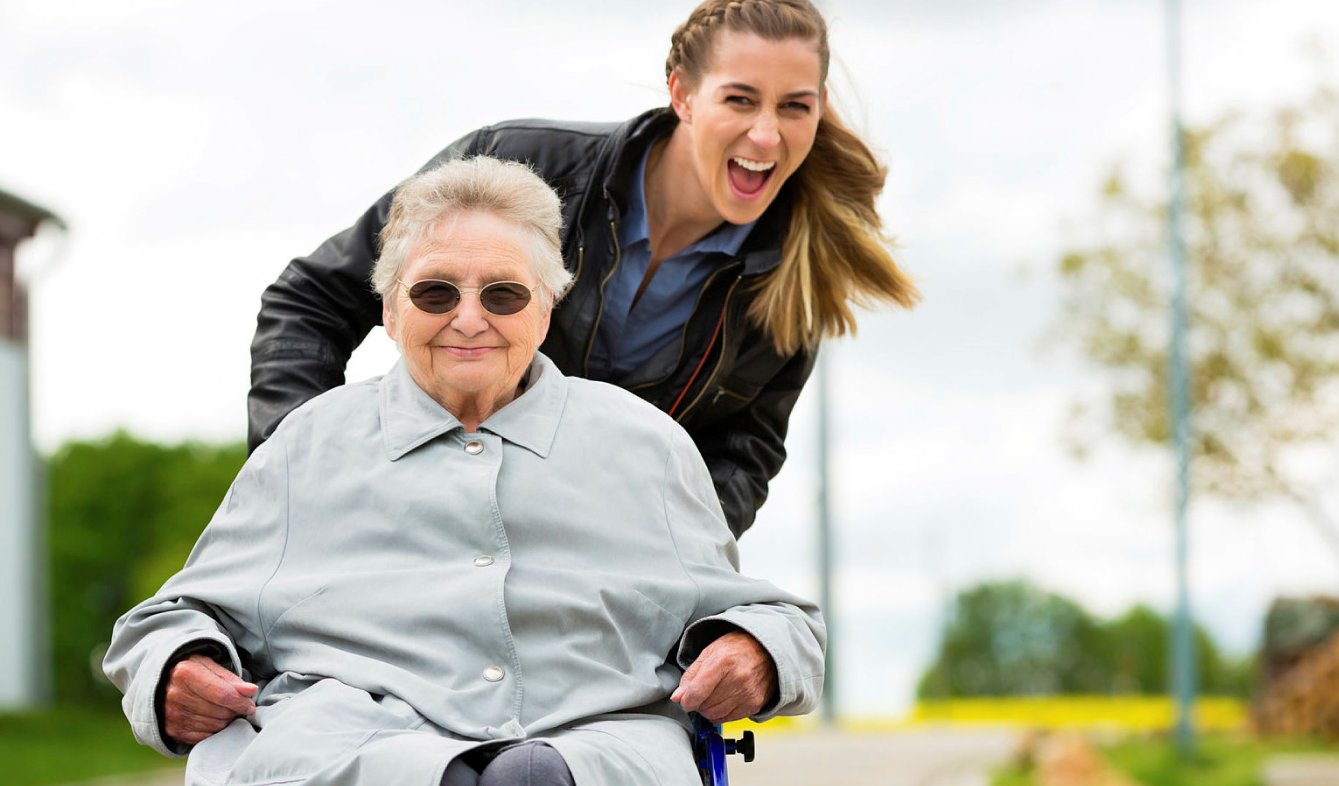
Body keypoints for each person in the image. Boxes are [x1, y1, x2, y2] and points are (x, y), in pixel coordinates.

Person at [104, 157, 824, 786]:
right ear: (389, 310)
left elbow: (773, 618)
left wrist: (754, 652)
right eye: (435, 293)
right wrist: (178, 665)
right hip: (359, 745)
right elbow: (170, 619)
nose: (469, 319)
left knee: (538, 776)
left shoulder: (645, 444)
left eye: (503, 294)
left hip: (589, 741)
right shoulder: (308, 445)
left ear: (546, 309)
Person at [249, 0, 920, 539]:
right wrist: (306, 479)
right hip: (414, 524)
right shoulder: (515, 163)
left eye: (794, 106)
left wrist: (658, 565)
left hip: (576, 573)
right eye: (740, 100)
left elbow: (740, 457)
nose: (767, 135)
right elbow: (310, 301)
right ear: (682, 94)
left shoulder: (793, 281)